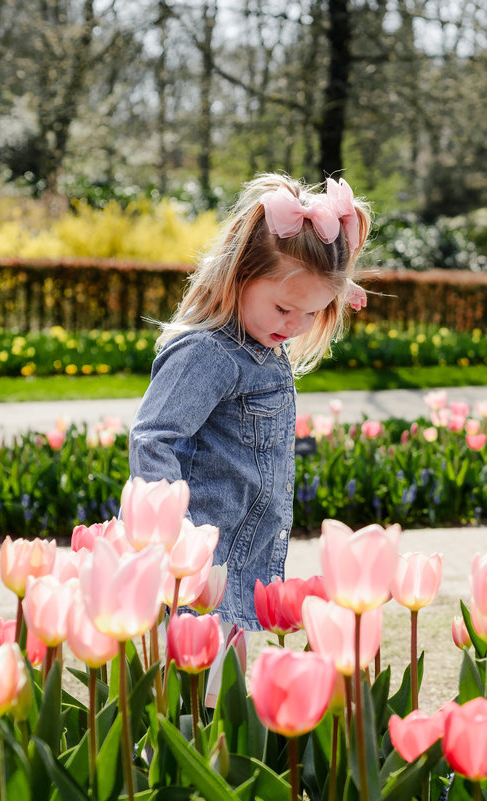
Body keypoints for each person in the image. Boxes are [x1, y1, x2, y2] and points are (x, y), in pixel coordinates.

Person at [129, 173, 371, 631]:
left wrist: (331, 290)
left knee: (217, 693)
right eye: (284, 309)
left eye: (314, 311)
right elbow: (153, 437)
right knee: (195, 689)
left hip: (238, 552)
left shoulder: (264, 333)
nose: (297, 325)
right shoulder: (208, 352)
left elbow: (305, 287)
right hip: (196, 561)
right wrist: (169, 534)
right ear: (239, 273)